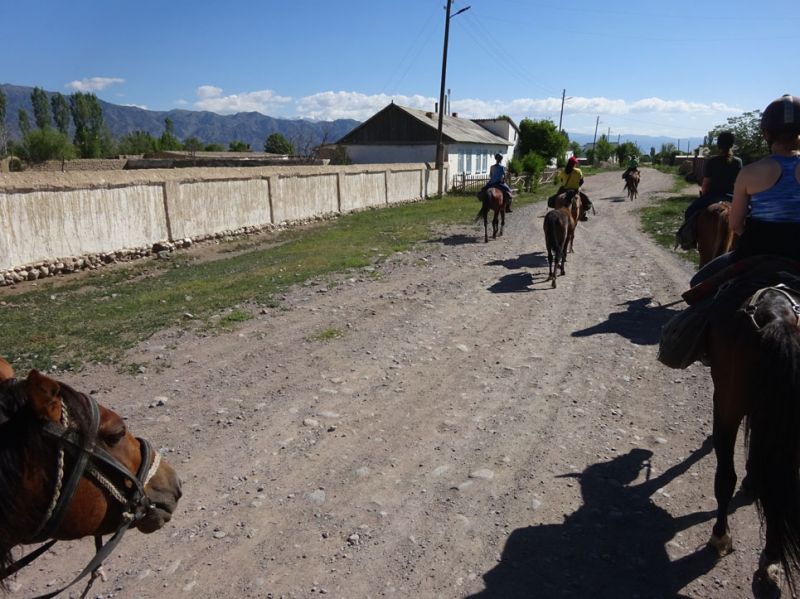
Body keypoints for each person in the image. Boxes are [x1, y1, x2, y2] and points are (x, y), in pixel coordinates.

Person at [689, 94, 800, 287]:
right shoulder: (739, 164)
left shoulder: (750, 172)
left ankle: (687, 238)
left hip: (757, 251)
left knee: (698, 282)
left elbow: (735, 225)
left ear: (766, 133)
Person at [551, 156, 591, 220]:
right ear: (574, 164)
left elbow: (561, 180)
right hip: (574, 190)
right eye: (575, 163)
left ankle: (555, 209)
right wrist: (578, 186)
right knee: (586, 200)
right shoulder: (578, 171)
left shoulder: (563, 171)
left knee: (555, 198)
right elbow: (582, 181)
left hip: (564, 190)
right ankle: (582, 215)